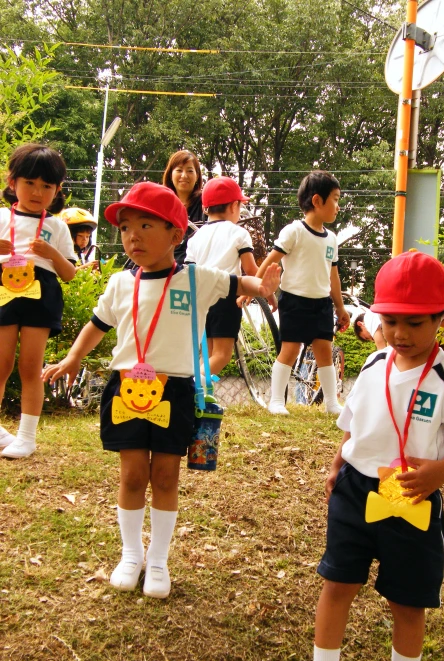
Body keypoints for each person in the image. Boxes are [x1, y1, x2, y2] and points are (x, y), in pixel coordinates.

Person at [42, 182, 280, 599]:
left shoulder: (197, 279)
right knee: (132, 475)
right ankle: (131, 554)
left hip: (175, 391)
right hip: (126, 389)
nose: (132, 235)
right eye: (126, 226)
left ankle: (159, 560)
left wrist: (262, 287)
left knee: (166, 475)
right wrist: (73, 358)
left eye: (145, 225)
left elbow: (240, 283)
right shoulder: (119, 283)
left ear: (176, 234)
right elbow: (96, 325)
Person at [305, 251, 444, 661]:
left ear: (442, 319)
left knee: (408, 603)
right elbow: (352, 426)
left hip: (412, 499)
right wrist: (337, 464)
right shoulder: (371, 363)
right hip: (355, 494)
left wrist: (439, 474)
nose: (401, 333)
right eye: (390, 321)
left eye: (415, 322)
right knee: (337, 585)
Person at [0, 143, 77, 459]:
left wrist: (53, 253)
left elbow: (70, 273)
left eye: (47, 185)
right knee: (0, 364)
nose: (37, 191)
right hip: (5, 290)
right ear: (12, 181)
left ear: (57, 190)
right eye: (29, 182)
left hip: (41, 295)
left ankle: (27, 437)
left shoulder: (58, 226)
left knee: (30, 366)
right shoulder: (2, 216)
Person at [254, 170, 350, 415]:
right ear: (317, 201)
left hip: (321, 303)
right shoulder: (294, 231)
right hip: (294, 301)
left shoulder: (332, 239)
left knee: (324, 351)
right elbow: (271, 260)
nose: (338, 206)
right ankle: (276, 401)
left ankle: (331, 403)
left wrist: (339, 307)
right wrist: (254, 286)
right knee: (290, 348)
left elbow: (333, 276)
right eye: (336, 199)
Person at [186, 176, 259, 376]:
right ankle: (194, 388)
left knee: (208, 353)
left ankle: (202, 399)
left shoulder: (195, 238)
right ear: (234, 206)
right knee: (222, 355)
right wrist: (266, 292)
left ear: (206, 209)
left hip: (201, 300)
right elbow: (251, 270)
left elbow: (188, 274)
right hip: (226, 297)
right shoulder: (238, 233)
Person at [162, 150, 206, 263]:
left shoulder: (205, 203)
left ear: (197, 176)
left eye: (190, 171)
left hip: (196, 268)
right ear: (170, 174)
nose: (184, 175)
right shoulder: (161, 205)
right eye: (179, 170)